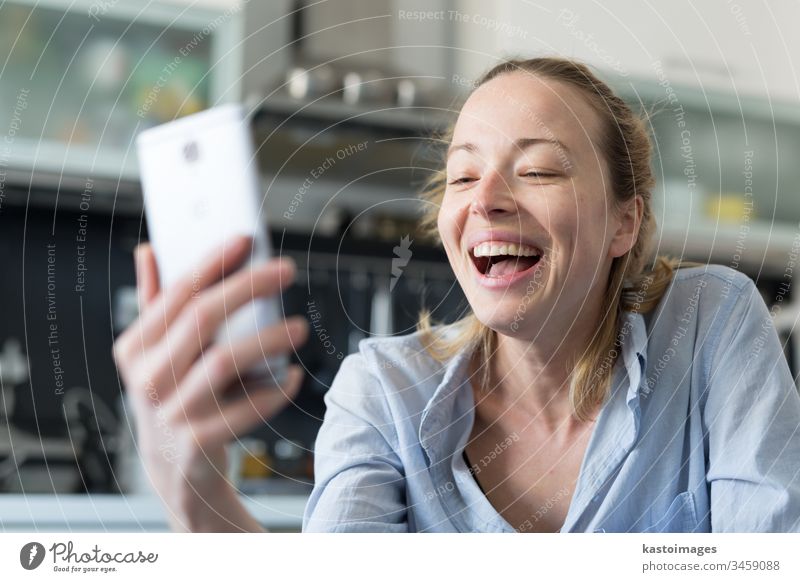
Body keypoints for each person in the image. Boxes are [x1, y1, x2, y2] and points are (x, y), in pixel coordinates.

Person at [114, 57, 800, 533]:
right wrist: (197, 492)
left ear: (626, 221)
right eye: (463, 177)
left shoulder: (711, 327)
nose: (488, 200)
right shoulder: (383, 391)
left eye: (537, 169)